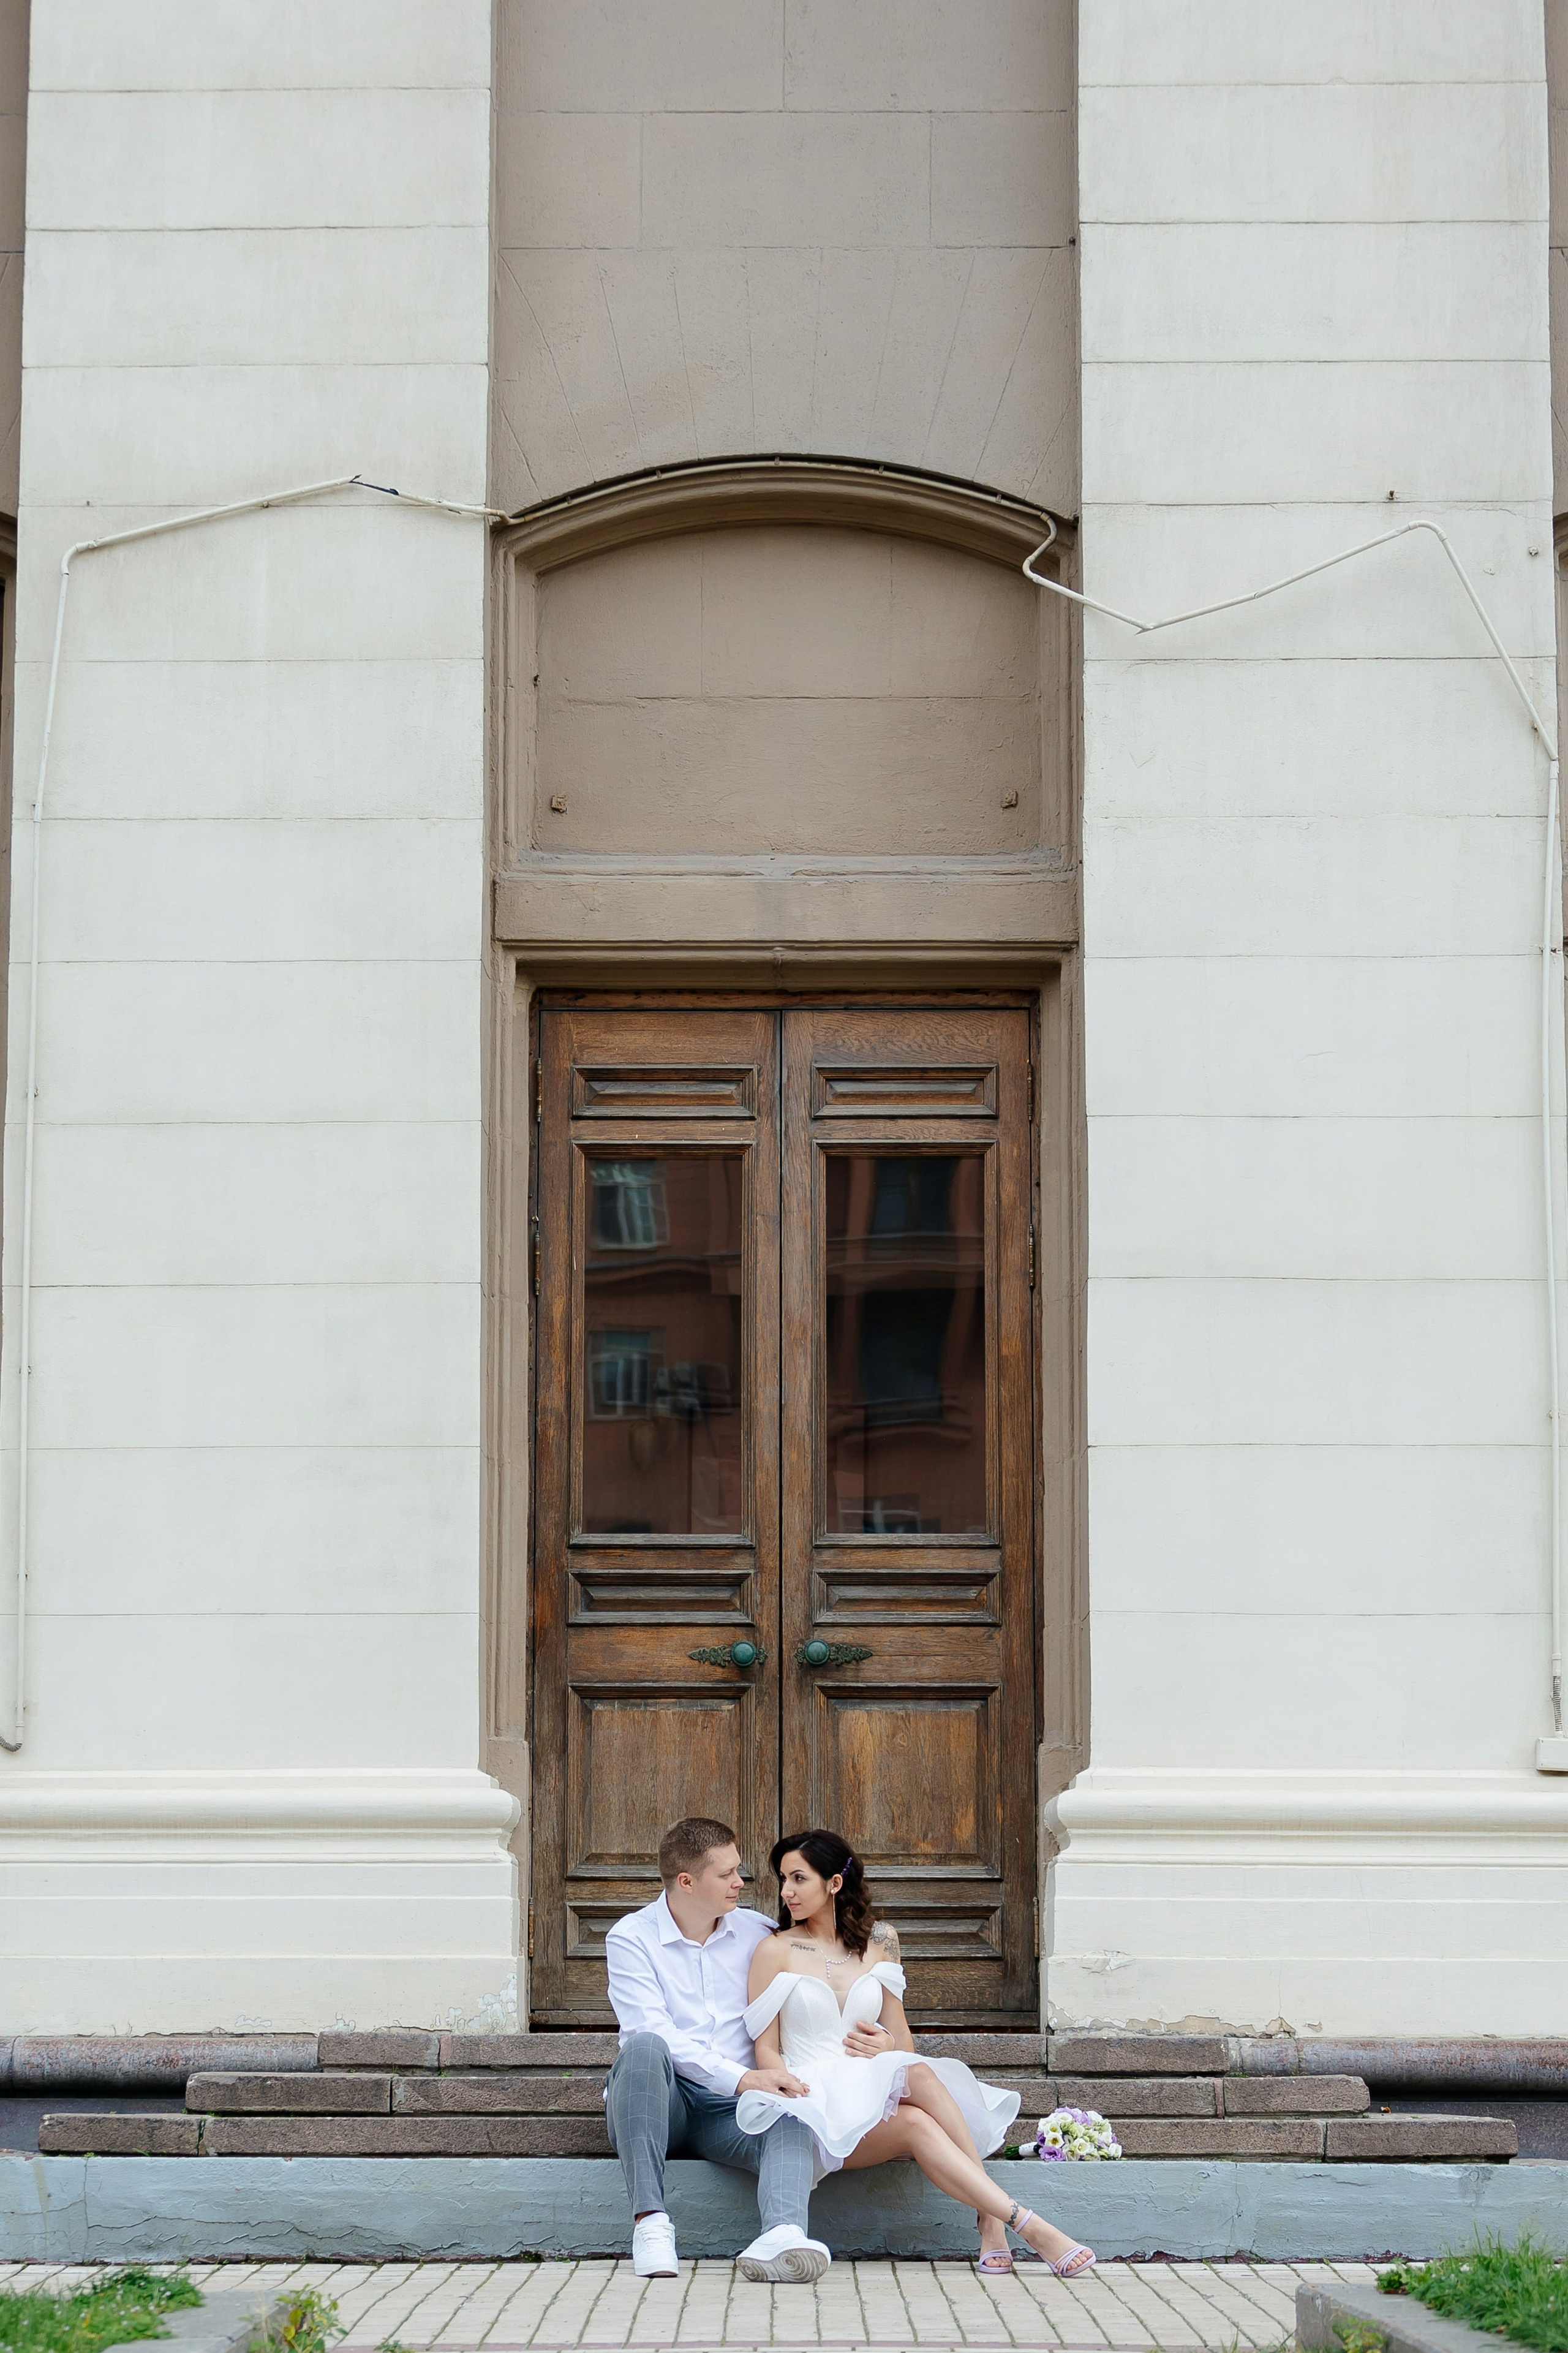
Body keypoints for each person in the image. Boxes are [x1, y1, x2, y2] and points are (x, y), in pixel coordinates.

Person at [736, 1829, 1098, 2277]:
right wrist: (789, 2090)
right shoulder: (774, 1950)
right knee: (919, 2080)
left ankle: (994, 2220)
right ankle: (1021, 2224)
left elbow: (903, 2043)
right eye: (783, 1879)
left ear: (834, 1883)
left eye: (798, 1878)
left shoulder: (880, 1945)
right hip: (815, 2104)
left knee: (918, 2113)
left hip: (872, 2091)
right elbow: (766, 2047)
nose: (786, 1891)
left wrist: (888, 2046)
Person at [603, 1815, 832, 2284]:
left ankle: (782, 2235)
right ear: (686, 1881)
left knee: (790, 2115)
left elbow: (825, 1978)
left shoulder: (759, 1932)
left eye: (737, 1869)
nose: (740, 1881)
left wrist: (879, 2031)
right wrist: (743, 2077)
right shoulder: (631, 1937)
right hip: (658, 2103)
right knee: (644, 2046)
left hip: (730, 2113)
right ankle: (651, 2224)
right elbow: (652, 2027)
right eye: (726, 1873)